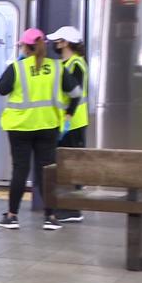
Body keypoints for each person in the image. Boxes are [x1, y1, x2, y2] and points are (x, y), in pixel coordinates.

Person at [0, 28, 82, 231]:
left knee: (20, 169)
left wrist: (15, 65)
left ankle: (12, 216)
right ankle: (50, 216)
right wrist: (68, 113)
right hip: (48, 126)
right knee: (46, 171)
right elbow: (76, 92)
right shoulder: (58, 68)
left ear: (25, 46)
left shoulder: (17, 68)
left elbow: (1, 88)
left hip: (20, 127)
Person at [47, 26, 89, 223]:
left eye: (58, 40)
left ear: (66, 42)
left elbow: (76, 93)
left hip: (73, 122)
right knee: (63, 166)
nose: (56, 44)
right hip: (64, 121)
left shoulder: (76, 64)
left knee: (71, 166)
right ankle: (66, 207)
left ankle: (73, 210)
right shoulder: (64, 63)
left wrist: (69, 116)